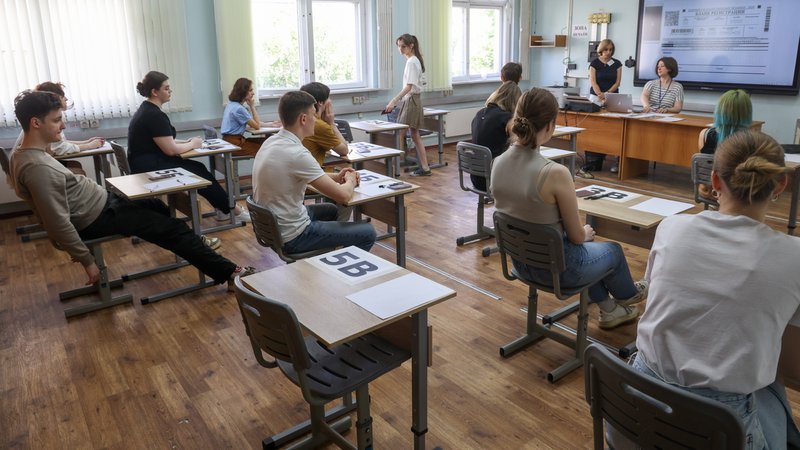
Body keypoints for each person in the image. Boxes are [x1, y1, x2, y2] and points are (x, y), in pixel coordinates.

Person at [633, 130, 800, 448]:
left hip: (634, 408)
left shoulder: (672, 227)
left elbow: (654, 308)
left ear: (714, 180)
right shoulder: (795, 256)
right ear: (781, 184)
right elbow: (791, 367)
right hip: (717, 424)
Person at [9, 90, 254, 290]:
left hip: (102, 205)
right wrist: (87, 260)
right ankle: (231, 273)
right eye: (56, 120)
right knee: (172, 227)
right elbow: (56, 221)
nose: (63, 126)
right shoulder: (35, 166)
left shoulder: (29, 151)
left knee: (156, 206)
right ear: (35, 123)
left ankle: (188, 244)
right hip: (96, 217)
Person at [490, 88, 648, 329]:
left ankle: (610, 310)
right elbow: (575, 237)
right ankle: (628, 296)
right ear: (551, 125)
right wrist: (585, 233)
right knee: (610, 250)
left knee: (585, 251)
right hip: (558, 271)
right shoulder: (555, 173)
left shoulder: (497, 163)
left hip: (520, 263)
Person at [252, 91, 376, 254]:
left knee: (331, 211)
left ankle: (328, 254)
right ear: (303, 119)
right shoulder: (297, 153)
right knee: (368, 232)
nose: (316, 120)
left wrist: (337, 177)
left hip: (274, 225)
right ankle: (336, 271)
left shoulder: (272, 141)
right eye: (314, 115)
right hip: (293, 236)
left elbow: (301, 174)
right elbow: (343, 196)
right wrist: (351, 180)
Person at [127, 71, 251, 223]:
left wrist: (187, 142)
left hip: (146, 162)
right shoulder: (153, 115)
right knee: (198, 171)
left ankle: (224, 208)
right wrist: (192, 144)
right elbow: (170, 149)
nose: (170, 91)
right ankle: (232, 209)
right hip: (149, 167)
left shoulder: (147, 110)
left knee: (198, 168)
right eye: (166, 88)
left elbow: (166, 141)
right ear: (154, 92)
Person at [13, 82, 106, 176]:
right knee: (78, 173)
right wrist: (89, 146)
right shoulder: (46, 121)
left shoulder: (44, 120)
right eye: (62, 96)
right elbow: (59, 148)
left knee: (75, 165)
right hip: (35, 166)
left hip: (33, 163)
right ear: (53, 98)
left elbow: (60, 143)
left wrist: (86, 142)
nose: (66, 99)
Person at [385, 33, 431, 177]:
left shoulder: (412, 61)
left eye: (403, 46)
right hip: (411, 99)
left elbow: (409, 86)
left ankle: (394, 167)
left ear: (411, 46)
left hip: (412, 99)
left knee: (401, 133)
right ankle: (424, 167)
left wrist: (394, 100)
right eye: (398, 46)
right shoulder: (413, 60)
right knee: (413, 135)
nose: (400, 49)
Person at [470, 80, 521, 192]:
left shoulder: (480, 113)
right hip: (494, 179)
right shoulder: (507, 118)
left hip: (476, 176)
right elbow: (519, 143)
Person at [585, 39, 623, 174]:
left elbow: (618, 82)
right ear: (601, 50)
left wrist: (608, 94)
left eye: (611, 50)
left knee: (612, 126)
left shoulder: (617, 63)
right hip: (596, 97)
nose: (609, 52)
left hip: (612, 97)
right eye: (606, 49)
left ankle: (614, 158)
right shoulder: (594, 63)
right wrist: (600, 94)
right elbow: (593, 81)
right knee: (595, 125)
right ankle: (594, 156)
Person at [220, 77, 274, 157]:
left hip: (231, 141)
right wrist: (252, 106)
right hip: (235, 144)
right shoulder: (239, 109)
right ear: (243, 92)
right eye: (250, 90)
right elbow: (257, 126)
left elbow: (251, 123)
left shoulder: (231, 104)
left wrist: (271, 124)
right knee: (267, 148)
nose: (253, 93)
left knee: (268, 142)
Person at [299, 81, 349, 166]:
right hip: (314, 173)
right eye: (328, 98)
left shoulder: (300, 118)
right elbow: (344, 150)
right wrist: (331, 124)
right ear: (320, 102)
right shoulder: (319, 125)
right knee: (347, 165)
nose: (330, 101)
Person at [698, 89, 752, 155]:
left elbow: (704, 163)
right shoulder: (753, 140)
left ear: (720, 110)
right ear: (747, 112)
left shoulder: (704, 134)